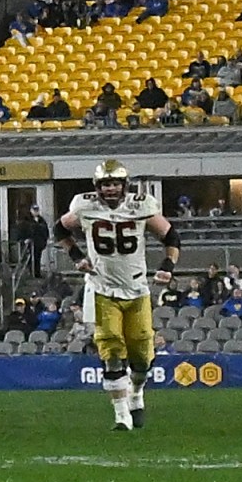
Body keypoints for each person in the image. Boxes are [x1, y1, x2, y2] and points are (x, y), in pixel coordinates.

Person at [56, 160, 182, 431]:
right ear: (97, 187)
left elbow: (171, 237)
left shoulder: (142, 205)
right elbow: (60, 229)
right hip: (102, 288)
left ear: (125, 185)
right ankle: (121, 414)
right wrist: (77, 256)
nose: (110, 189)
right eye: (105, 184)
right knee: (111, 346)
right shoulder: (84, 205)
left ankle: (136, 392)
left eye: (114, 184)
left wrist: (168, 266)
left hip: (136, 289)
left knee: (141, 352)